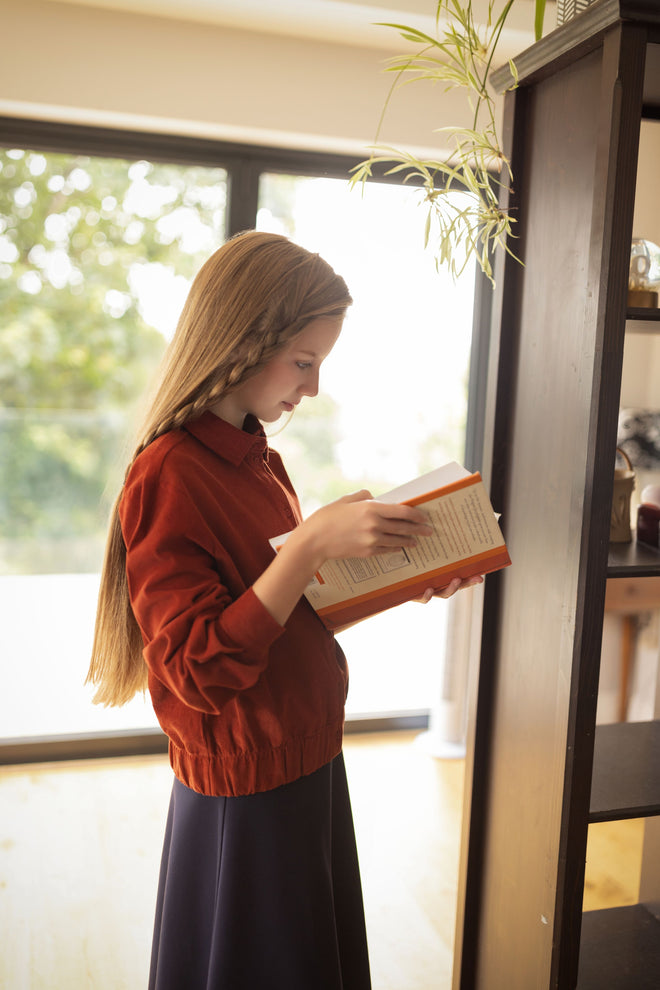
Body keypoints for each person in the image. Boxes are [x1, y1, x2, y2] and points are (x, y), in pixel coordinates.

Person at [87, 230, 480, 990]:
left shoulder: (255, 455)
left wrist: (407, 577)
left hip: (305, 756)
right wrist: (308, 546)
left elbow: (277, 617)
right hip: (249, 789)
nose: (315, 386)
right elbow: (200, 669)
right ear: (242, 340)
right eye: (304, 361)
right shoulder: (170, 473)